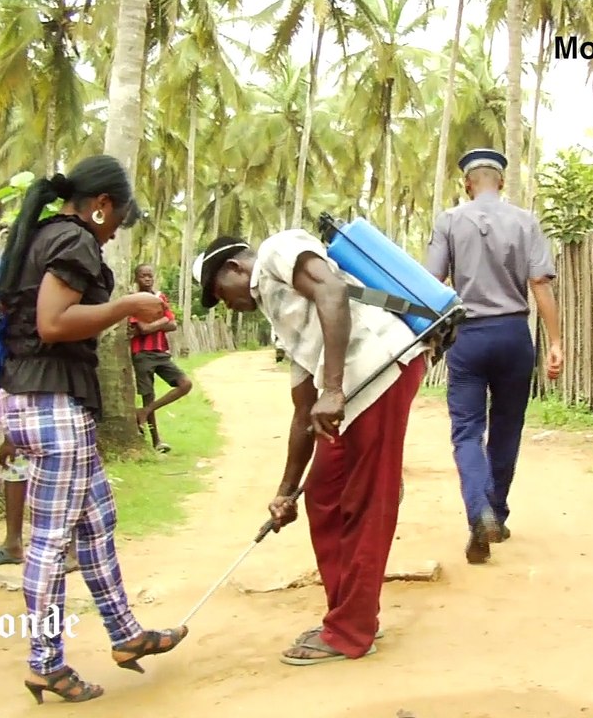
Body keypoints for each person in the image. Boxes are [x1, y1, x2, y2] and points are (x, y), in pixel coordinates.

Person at [0, 154, 188, 704]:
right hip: (52, 406)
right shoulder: (74, 240)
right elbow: (52, 324)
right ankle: (45, 663)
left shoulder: (42, 236)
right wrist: (125, 303)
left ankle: (126, 635)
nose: (115, 234)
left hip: (39, 401)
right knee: (51, 545)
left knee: (97, 521)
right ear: (103, 207)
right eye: (120, 220)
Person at [193, 229, 427, 666]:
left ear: (233, 268)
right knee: (322, 496)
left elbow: (333, 290)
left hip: (380, 371)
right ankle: (343, 616)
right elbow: (303, 411)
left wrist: (334, 388)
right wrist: (285, 492)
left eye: (218, 293)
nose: (225, 304)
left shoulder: (277, 249)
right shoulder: (278, 312)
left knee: (363, 500)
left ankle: (351, 631)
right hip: (352, 391)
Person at [425, 147, 564, 565]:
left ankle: (477, 511)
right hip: (512, 335)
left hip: (467, 338)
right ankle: (496, 511)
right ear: (500, 182)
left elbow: (432, 282)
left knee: (467, 430)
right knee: (507, 427)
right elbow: (539, 282)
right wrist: (555, 341)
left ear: (468, 184)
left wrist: (426, 339)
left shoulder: (449, 221)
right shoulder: (525, 222)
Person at [0, 435, 78, 573]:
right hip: (26, 426)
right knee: (15, 463)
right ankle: (12, 544)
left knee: (67, 474)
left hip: (63, 425)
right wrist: (10, 439)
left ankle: (72, 550)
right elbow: (11, 412)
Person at [128, 263, 192, 452]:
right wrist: (163, 320)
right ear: (136, 278)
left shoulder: (160, 297)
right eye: (142, 276)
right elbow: (144, 328)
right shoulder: (133, 301)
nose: (147, 279)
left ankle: (144, 412)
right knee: (148, 395)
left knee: (185, 384)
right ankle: (156, 441)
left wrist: (159, 323)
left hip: (161, 352)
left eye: (150, 276)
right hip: (142, 354)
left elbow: (173, 325)